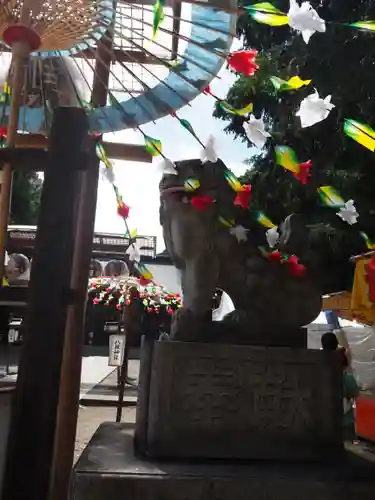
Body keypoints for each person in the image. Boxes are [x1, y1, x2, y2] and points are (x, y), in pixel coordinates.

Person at [340, 348, 360, 443]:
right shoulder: (348, 379)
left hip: (328, 423)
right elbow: (356, 394)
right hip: (346, 423)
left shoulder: (323, 378)